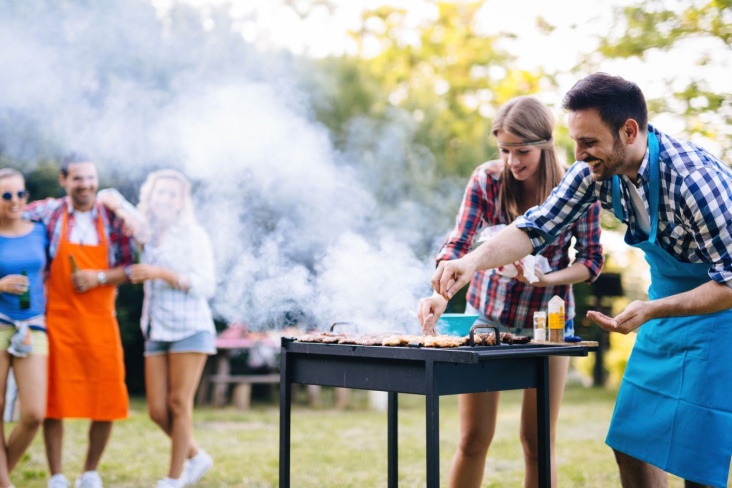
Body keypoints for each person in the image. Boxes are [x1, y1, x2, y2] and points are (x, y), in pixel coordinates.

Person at [429, 73, 732, 488]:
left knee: (697, 460)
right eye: (575, 141)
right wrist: (471, 262)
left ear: (628, 131)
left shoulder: (695, 180)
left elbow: (730, 282)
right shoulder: (594, 173)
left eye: (588, 142)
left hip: (718, 312)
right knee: (632, 443)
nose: (578, 154)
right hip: (662, 308)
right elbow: (535, 227)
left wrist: (653, 309)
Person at [417, 96, 604, 488]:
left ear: (545, 146)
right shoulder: (487, 180)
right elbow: (458, 244)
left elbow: (590, 261)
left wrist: (546, 279)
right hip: (487, 315)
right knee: (472, 439)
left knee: (537, 441)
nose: (513, 161)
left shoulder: (577, 187)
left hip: (548, 323)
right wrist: (439, 292)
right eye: (505, 150)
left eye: (523, 151)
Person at [23, 154, 139, 488]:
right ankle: (56, 474)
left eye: (90, 178)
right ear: (63, 180)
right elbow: (13, 216)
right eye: (77, 179)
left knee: (106, 397)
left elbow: (133, 269)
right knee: (53, 400)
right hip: (56, 320)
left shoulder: (113, 217)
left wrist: (100, 277)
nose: (85, 184)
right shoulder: (50, 212)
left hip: (101, 321)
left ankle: (90, 472)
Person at [126, 169, 216, 488]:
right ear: (150, 197)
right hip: (156, 328)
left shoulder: (194, 234)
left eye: (172, 194)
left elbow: (207, 285)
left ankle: (174, 478)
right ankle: (197, 456)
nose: (164, 199)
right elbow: (115, 203)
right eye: (159, 192)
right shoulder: (146, 233)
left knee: (178, 403)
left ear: (181, 202)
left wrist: (162, 273)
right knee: (155, 411)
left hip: (190, 328)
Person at [0, 169, 50, 488]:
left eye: (21, 194)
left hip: (33, 328)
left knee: (34, 414)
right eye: (7, 196)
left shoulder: (40, 232)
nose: (16, 201)